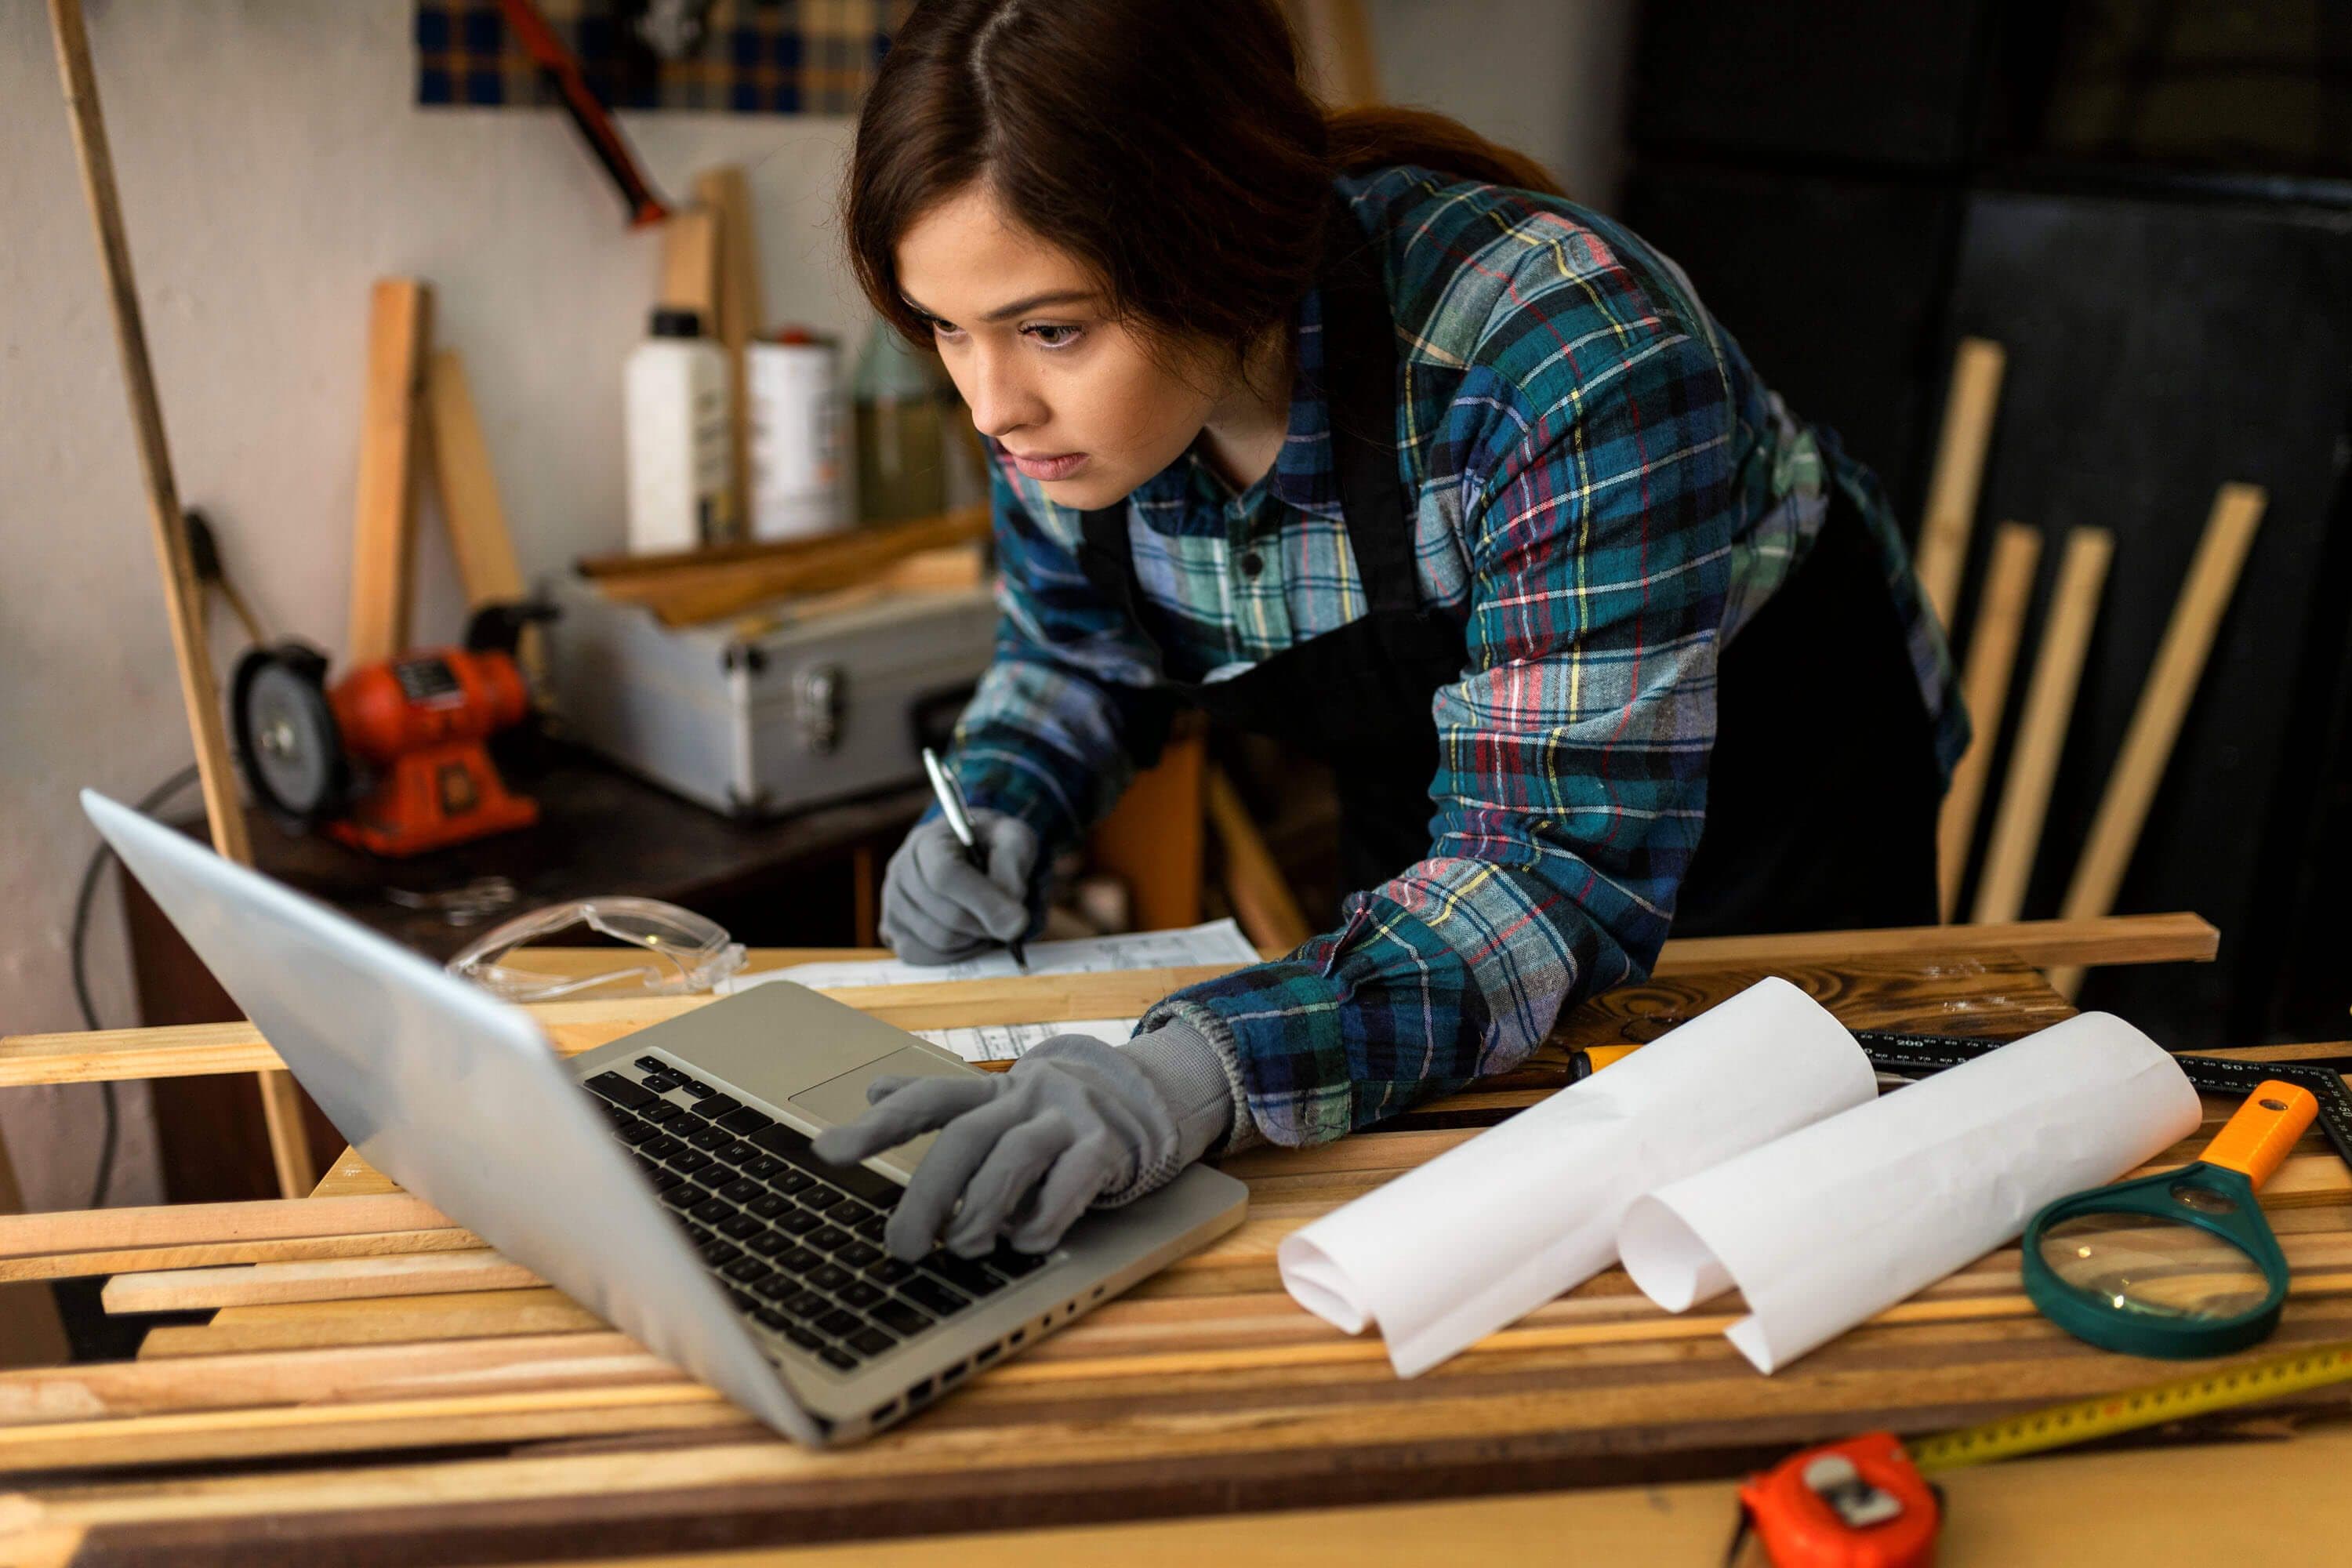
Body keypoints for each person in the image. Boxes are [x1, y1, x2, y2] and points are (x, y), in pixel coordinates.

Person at [808, 0, 1968, 1265]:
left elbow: (1546, 867)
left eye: (1051, 330)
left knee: (1772, 1230)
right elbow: (1078, 652)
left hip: (1765, 796)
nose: (993, 407)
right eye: (942, 328)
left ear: (1220, 245)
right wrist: (999, 801)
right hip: (1449, 799)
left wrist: (1189, 1074)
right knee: (1465, 1212)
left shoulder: (1564, 350)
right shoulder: (1058, 411)